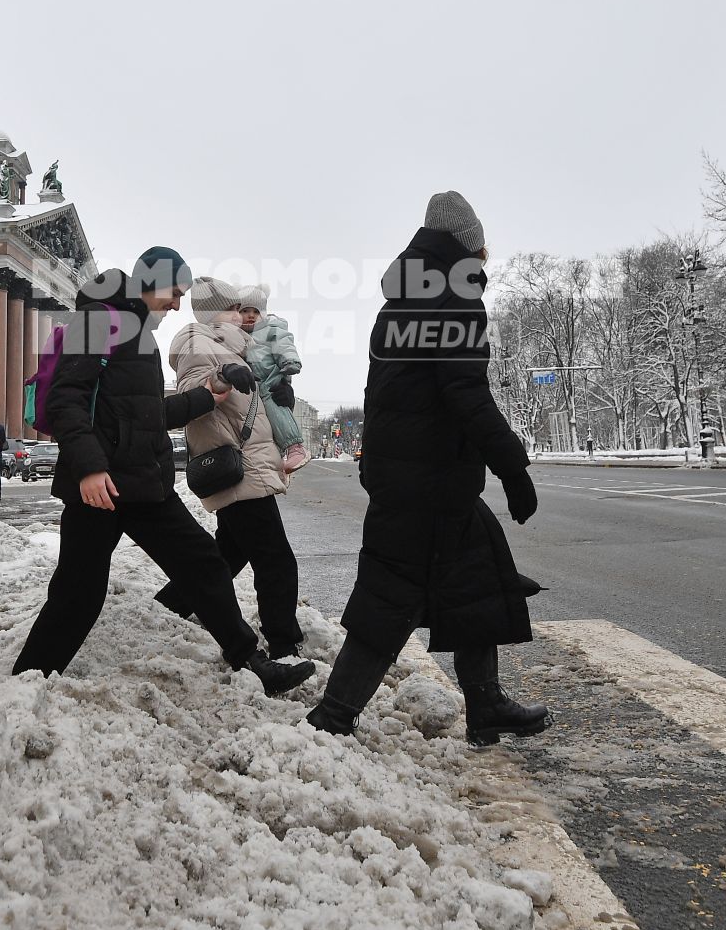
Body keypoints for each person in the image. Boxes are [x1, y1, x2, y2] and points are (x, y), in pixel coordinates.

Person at [12, 247, 317, 695]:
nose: (177, 305)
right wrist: (91, 468)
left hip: (144, 485)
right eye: (174, 293)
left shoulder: (137, 331)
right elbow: (66, 401)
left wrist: (208, 394)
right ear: (151, 281)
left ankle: (252, 664)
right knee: (78, 593)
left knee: (205, 566)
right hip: (103, 488)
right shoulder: (102, 321)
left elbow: (148, 412)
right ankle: (26, 682)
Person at [305, 192, 551, 744]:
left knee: (475, 580)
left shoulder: (400, 301)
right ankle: (333, 716)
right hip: (430, 480)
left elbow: (385, 393)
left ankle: (485, 704)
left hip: (412, 474)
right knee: (389, 596)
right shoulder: (456, 295)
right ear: (468, 246)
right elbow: (466, 393)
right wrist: (513, 466)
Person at [155, 278, 303, 659]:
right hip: (238, 467)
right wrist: (219, 378)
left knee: (226, 557)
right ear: (215, 312)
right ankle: (284, 643)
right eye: (235, 308)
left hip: (247, 464)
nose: (244, 315)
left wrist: (283, 393)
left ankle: (165, 609)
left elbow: (255, 394)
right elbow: (191, 391)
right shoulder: (197, 342)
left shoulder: (234, 347)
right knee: (276, 561)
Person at [235, 288, 310, 472]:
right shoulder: (235, 335)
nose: (251, 316)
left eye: (256, 312)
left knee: (276, 408)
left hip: (270, 379)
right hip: (253, 386)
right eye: (245, 311)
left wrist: (290, 361)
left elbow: (284, 344)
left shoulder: (270, 328)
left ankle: (295, 447)